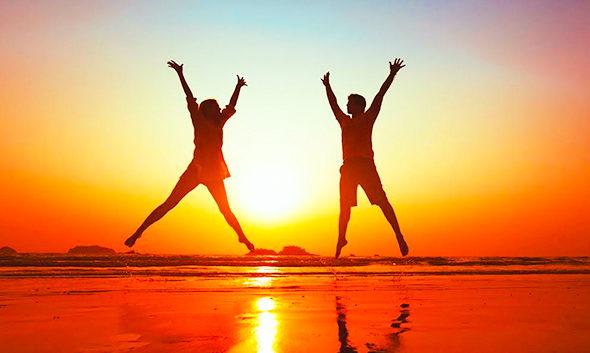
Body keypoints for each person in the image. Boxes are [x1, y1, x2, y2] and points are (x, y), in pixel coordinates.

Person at [125, 60, 255, 252]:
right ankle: (138, 232)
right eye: (216, 107)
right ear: (207, 110)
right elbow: (190, 97)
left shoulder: (219, 122)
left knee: (225, 210)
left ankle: (243, 239)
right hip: (195, 170)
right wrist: (180, 74)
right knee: (169, 203)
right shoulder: (198, 119)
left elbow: (231, 105)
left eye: (219, 107)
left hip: (213, 172)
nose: (220, 109)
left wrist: (238, 88)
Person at [321, 58, 408, 258]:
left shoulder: (368, 117)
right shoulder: (344, 121)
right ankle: (341, 239)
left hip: (366, 166)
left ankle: (399, 235)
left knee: (382, 202)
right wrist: (328, 86)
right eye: (347, 102)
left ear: (359, 106)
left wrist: (392, 74)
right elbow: (333, 104)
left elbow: (380, 95)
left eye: (350, 103)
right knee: (344, 208)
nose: (347, 105)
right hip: (348, 168)